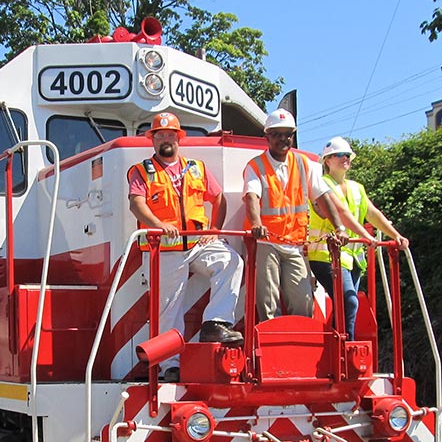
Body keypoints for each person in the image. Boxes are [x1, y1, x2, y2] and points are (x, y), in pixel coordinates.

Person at [128, 111, 243, 383]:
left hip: (196, 244)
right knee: (168, 309)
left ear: (179, 139)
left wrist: (214, 230)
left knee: (232, 261)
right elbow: (136, 202)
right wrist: (157, 224)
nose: (165, 139)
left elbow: (219, 199)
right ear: (153, 141)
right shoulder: (141, 171)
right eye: (160, 135)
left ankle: (215, 323)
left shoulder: (197, 168)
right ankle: (170, 365)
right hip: (163, 249)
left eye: (170, 135)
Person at [243, 110, 374, 323]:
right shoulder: (255, 166)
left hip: (294, 243)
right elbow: (251, 196)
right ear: (267, 136)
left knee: (303, 299)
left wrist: (339, 228)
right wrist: (256, 223)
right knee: (268, 301)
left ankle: (299, 346)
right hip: (265, 242)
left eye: (287, 134)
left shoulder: (304, 164)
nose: (283, 139)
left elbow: (323, 198)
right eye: (277, 134)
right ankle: (270, 349)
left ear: (293, 136)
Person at [308, 136, 409, 339]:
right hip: (325, 256)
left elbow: (373, 214)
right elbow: (342, 213)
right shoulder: (321, 185)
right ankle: (346, 348)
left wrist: (397, 236)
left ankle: (336, 350)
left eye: (347, 155)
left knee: (346, 303)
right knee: (349, 301)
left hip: (351, 258)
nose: (345, 158)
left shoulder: (357, 188)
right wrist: (366, 236)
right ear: (327, 160)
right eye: (339, 155)